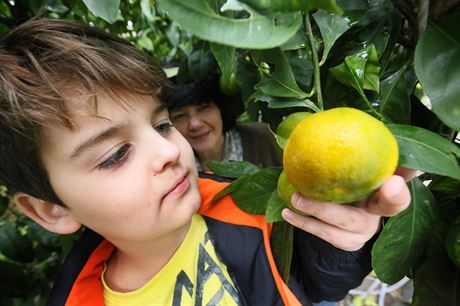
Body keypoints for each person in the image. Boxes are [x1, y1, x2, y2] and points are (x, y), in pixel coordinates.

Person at [0, 19, 413, 306]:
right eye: (116, 154)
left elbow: (315, 286)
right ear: (49, 209)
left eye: (161, 125)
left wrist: (340, 242)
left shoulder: (241, 204)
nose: (170, 150)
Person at [164, 74, 282, 170]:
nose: (195, 124)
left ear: (221, 108)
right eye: (180, 116)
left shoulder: (264, 137)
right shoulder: (173, 165)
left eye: (204, 108)